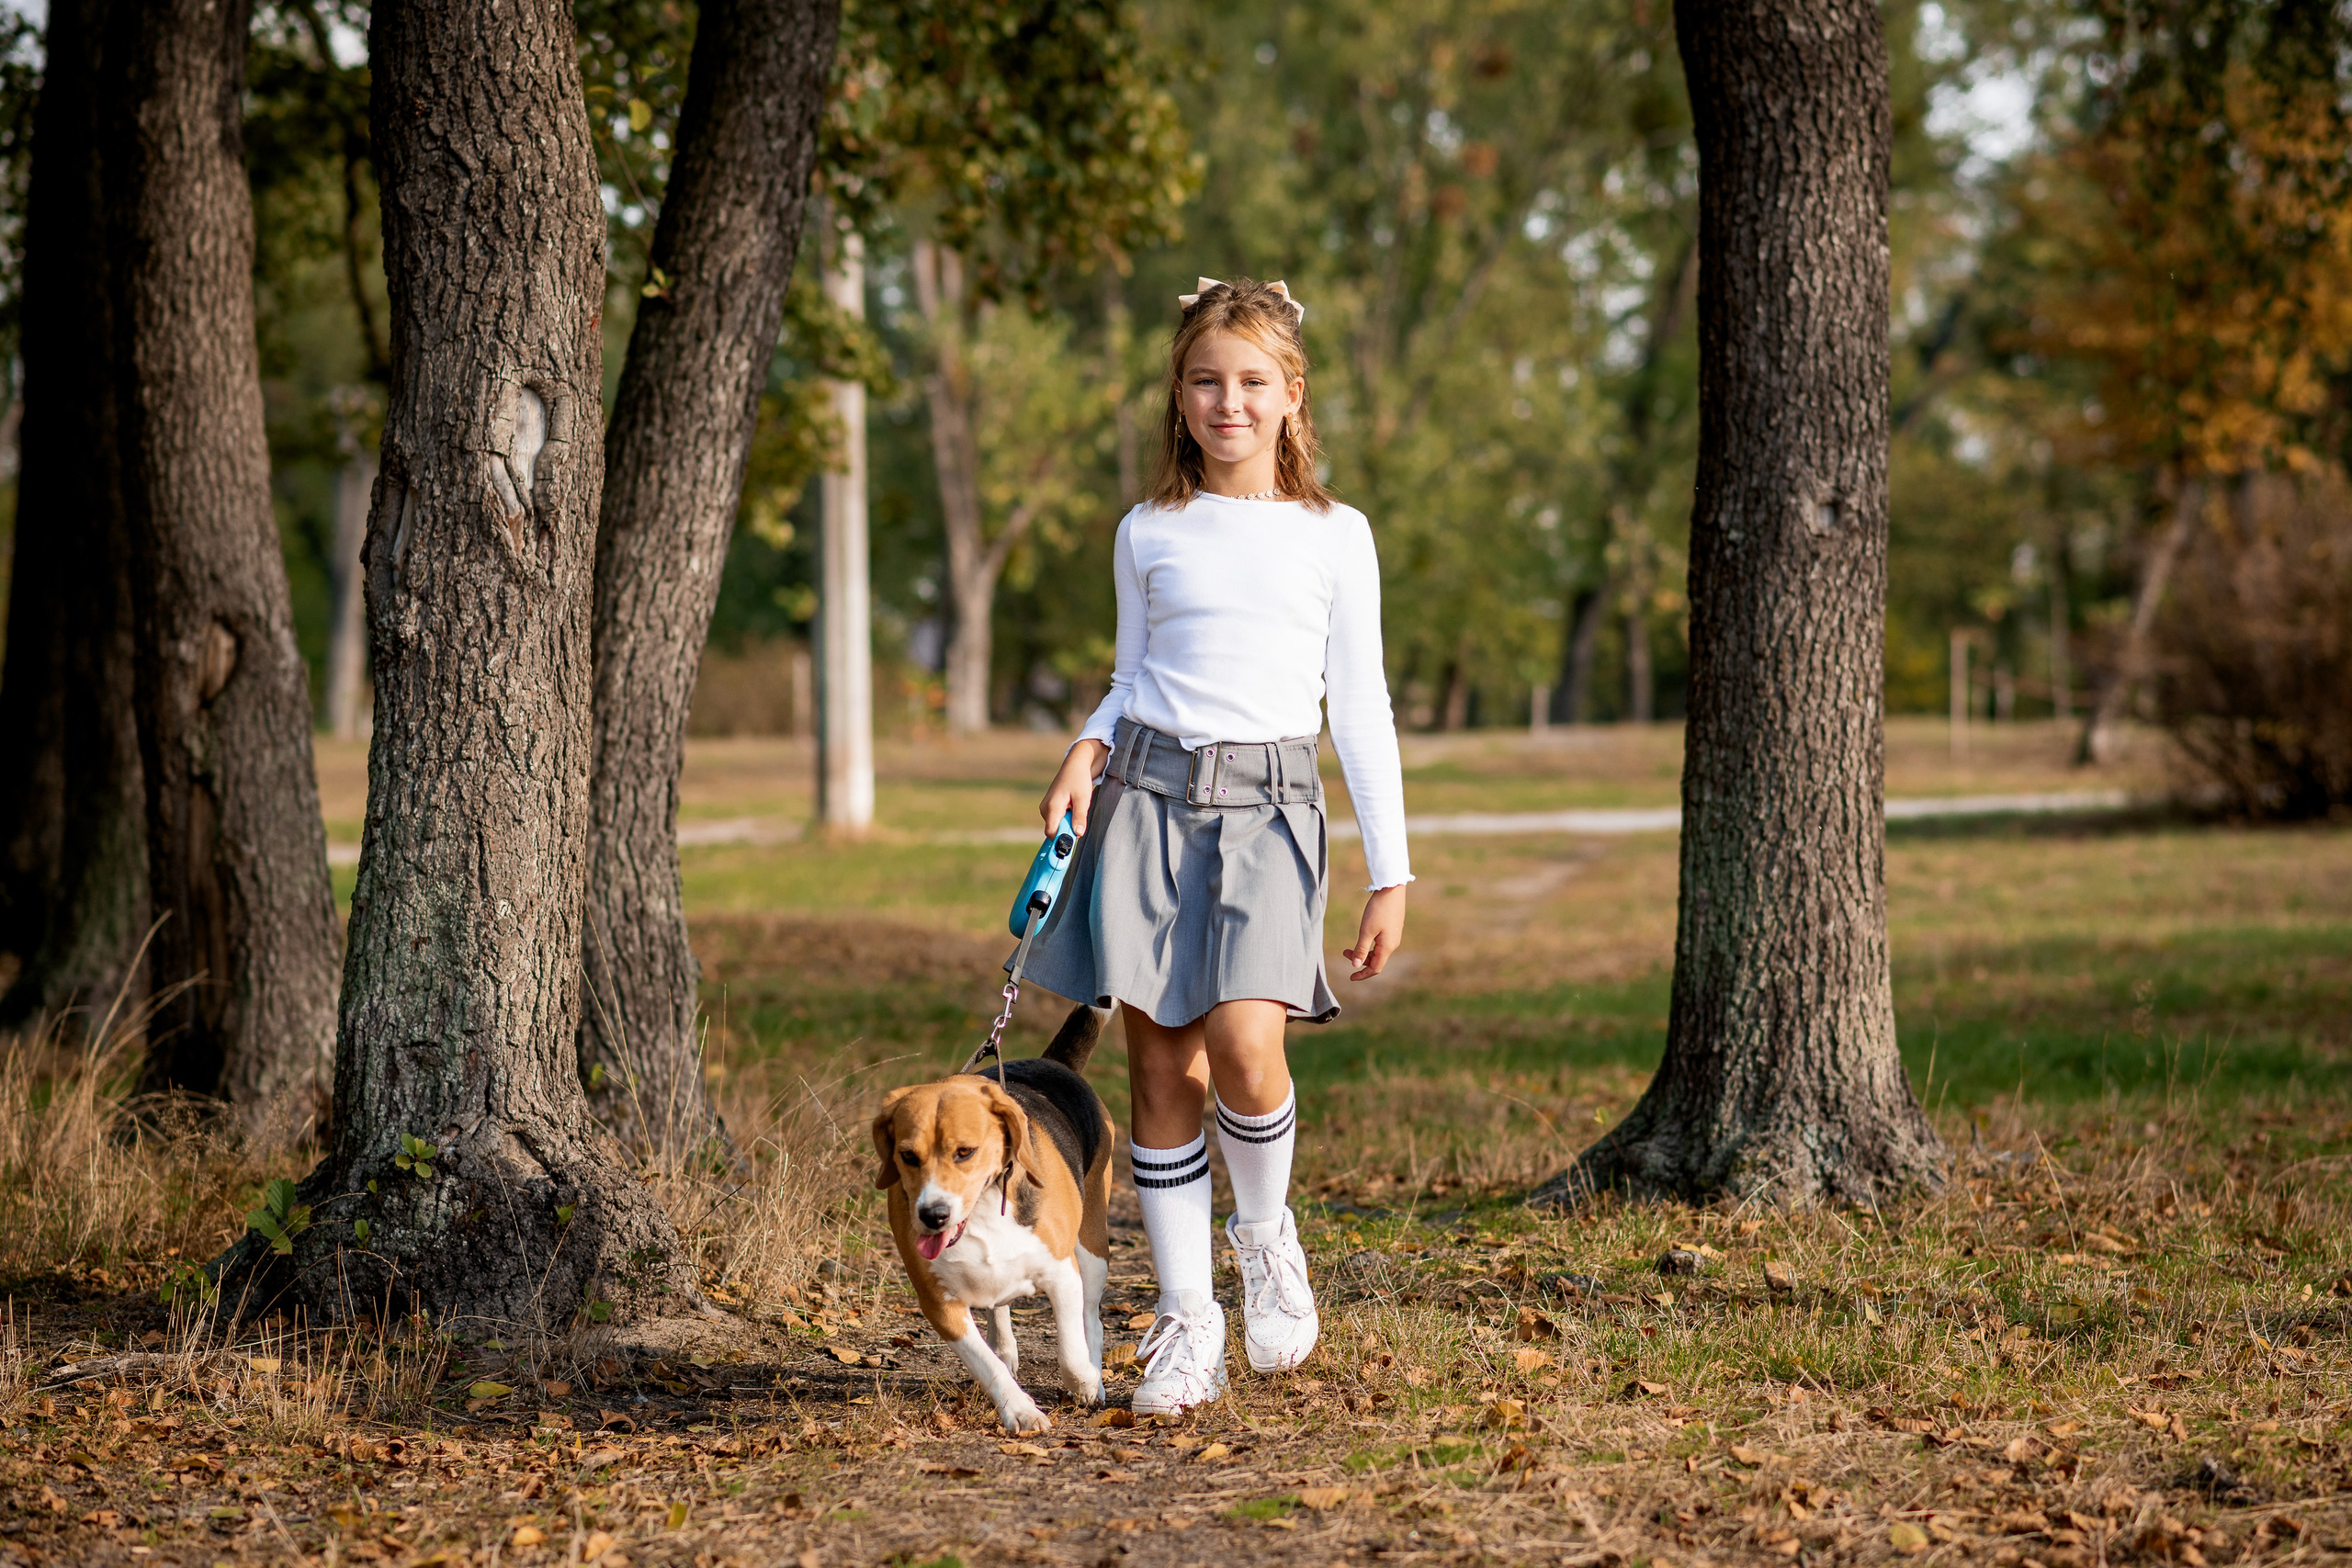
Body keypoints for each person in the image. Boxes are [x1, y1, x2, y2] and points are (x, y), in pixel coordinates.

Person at [1025, 275, 1412, 1415]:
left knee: (1246, 1045)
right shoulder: (1148, 530)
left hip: (1272, 809)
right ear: (1179, 397)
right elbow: (1131, 675)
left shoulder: (1335, 535)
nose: (1227, 402)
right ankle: (1187, 1319)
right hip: (1146, 800)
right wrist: (1085, 747)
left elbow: (1362, 704)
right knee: (1159, 1064)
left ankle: (1265, 1236)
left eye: (1251, 381)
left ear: (1292, 395)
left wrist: (1390, 869)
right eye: (1206, 381)